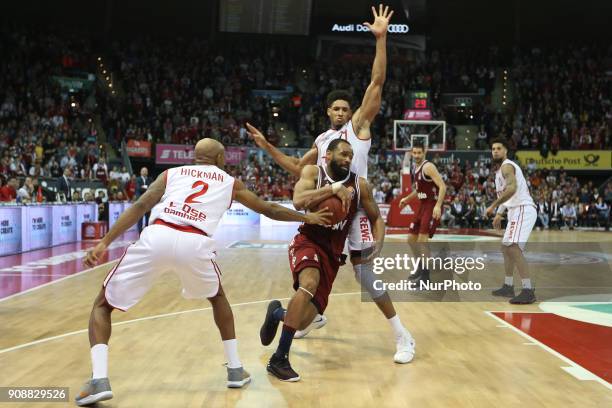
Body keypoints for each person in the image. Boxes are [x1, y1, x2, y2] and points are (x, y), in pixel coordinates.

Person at [76, 139, 331, 405]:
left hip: (157, 236)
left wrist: (105, 242)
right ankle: (234, 369)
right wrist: (307, 218)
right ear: (220, 157)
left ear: (195, 156)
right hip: (195, 243)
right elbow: (268, 209)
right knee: (217, 298)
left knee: (103, 306)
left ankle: (99, 379)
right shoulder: (230, 182)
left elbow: (140, 206)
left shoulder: (170, 174)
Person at [247, 4, 414, 363]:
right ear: (327, 112)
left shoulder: (357, 128)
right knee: (316, 272)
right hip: (327, 207)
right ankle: (310, 315)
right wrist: (267, 146)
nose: (341, 113)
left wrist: (381, 40)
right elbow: (296, 166)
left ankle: (403, 337)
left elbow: (376, 83)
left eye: (345, 108)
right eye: (336, 109)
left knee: (364, 275)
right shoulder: (323, 140)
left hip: (356, 205)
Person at [259, 139, 409, 382]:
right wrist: (332, 189)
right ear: (327, 155)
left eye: (351, 155)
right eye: (343, 154)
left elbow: (377, 218)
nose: (348, 159)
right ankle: (279, 358)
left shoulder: (360, 185)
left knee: (304, 320)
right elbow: (298, 200)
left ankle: (277, 313)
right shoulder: (313, 172)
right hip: (307, 241)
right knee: (308, 283)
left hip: (332, 254)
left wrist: (379, 242)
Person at [486, 138, 537, 304]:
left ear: (505, 151)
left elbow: (512, 188)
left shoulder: (507, 166)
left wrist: (493, 206)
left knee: (513, 248)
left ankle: (528, 290)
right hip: (514, 211)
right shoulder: (498, 173)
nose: (495, 151)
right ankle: (508, 286)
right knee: (505, 248)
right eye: (493, 149)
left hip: (523, 209)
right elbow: (505, 196)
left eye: (498, 148)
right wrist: (500, 214)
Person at [398, 143, 447, 284]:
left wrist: (438, 205)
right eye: (415, 153)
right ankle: (420, 267)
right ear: (412, 153)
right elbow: (418, 190)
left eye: (419, 152)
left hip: (431, 205)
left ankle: (426, 277)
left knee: (422, 241)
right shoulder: (416, 168)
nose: (417, 155)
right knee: (410, 239)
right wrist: (406, 199)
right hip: (422, 205)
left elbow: (443, 186)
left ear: (424, 152)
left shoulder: (428, 166)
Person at [136, 167, 152, 232]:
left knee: (147, 218)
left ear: (147, 172)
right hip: (140, 201)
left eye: (146, 171)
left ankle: (146, 232)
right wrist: (146, 187)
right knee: (140, 218)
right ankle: (139, 233)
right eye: (143, 171)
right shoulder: (137, 179)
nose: (144, 172)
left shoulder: (150, 179)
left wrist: (143, 187)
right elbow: (138, 188)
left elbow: (151, 188)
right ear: (140, 172)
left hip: (148, 201)